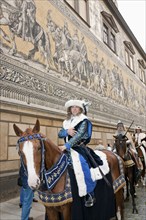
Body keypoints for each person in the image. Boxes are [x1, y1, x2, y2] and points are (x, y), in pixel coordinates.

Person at [58, 99, 116, 220]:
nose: (74, 109)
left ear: (80, 109)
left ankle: (90, 194)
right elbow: (59, 134)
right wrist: (66, 131)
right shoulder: (66, 122)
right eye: (72, 107)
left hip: (79, 148)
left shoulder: (84, 121)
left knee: (83, 166)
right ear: (69, 110)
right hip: (66, 149)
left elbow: (79, 136)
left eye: (76, 107)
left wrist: (66, 145)